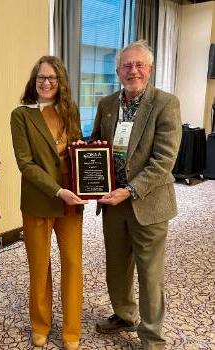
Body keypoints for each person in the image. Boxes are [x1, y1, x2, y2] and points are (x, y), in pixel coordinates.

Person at [91, 40, 182, 350]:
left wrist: (129, 190)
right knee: (116, 267)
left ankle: (153, 337)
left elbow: (163, 161)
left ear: (150, 70)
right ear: (118, 71)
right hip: (112, 204)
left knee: (150, 273)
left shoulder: (165, 103)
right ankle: (124, 314)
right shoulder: (106, 105)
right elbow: (94, 147)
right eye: (127, 66)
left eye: (139, 65)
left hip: (148, 202)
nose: (133, 70)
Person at [10, 56, 88, 350]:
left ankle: (71, 331)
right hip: (39, 201)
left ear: (61, 82)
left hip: (72, 200)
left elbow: (78, 147)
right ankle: (40, 325)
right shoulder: (21, 115)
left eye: (52, 79)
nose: (46, 83)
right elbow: (25, 164)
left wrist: (81, 149)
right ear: (34, 80)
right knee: (40, 267)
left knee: (72, 265)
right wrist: (56, 190)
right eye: (41, 77)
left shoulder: (70, 111)